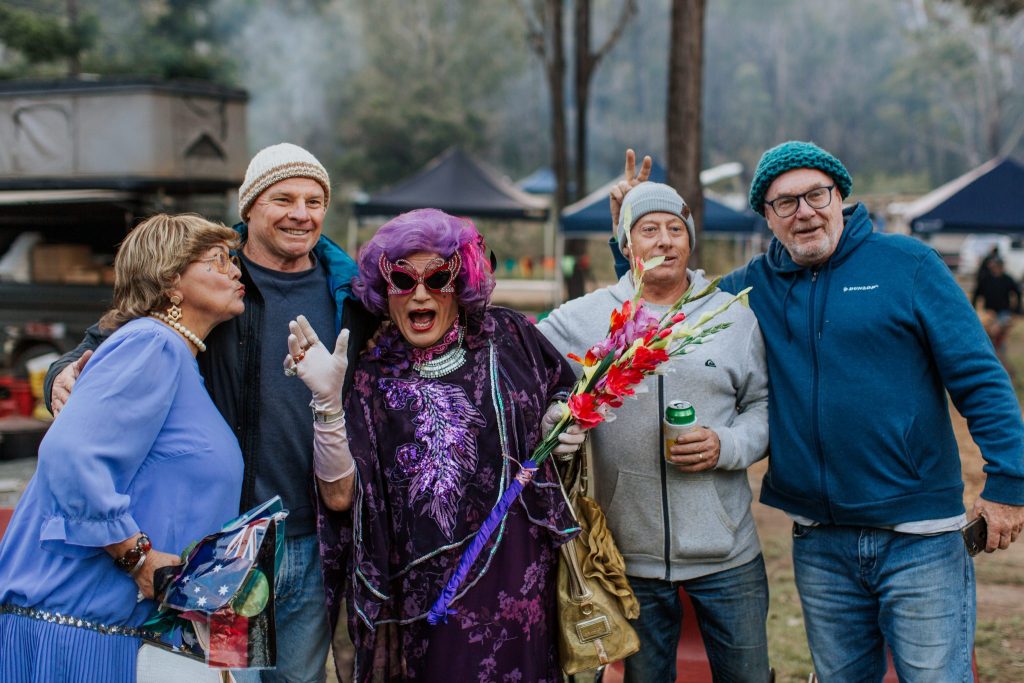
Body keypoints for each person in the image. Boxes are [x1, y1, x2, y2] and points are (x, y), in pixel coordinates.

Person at [610, 142, 1024, 680]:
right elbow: (666, 309)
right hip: (820, 542)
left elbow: (980, 379)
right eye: (785, 203)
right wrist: (629, 237)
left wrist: (1010, 485)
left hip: (921, 539)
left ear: (840, 197)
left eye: (816, 195)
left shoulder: (910, 266)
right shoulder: (747, 290)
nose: (804, 211)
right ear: (768, 217)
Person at [43, 143, 373, 683]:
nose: (301, 213)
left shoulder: (348, 292)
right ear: (249, 208)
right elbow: (114, 331)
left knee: (300, 678)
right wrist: (62, 372)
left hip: (310, 539)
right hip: (224, 545)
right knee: (223, 677)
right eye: (283, 198)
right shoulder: (215, 277)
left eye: (314, 201)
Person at [292, 208, 586, 682]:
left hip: (520, 576)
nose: (421, 294)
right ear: (385, 291)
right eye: (403, 281)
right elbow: (339, 496)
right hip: (427, 601)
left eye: (440, 278)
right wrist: (327, 406)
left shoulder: (510, 336)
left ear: (462, 283)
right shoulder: (371, 381)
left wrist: (562, 417)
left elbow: (563, 388)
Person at [539, 181, 772, 682]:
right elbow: (524, 369)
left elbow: (763, 405)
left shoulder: (732, 317)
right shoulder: (585, 318)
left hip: (727, 554)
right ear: (627, 246)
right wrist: (556, 417)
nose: (664, 240)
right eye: (649, 229)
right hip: (628, 558)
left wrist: (727, 444)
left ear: (690, 242)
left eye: (675, 229)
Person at [0, 214, 245, 682]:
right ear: (171, 278)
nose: (235, 270)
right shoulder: (152, 344)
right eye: (218, 260)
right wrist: (139, 558)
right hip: (87, 634)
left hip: (131, 635)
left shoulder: (178, 357)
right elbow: (69, 455)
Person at [972, 255, 1021, 363]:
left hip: (1004, 312)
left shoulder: (1007, 279)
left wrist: (1017, 309)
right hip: (989, 312)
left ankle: (1000, 353)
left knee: (999, 330)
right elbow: (976, 294)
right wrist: (973, 308)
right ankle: (992, 352)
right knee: (989, 331)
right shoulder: (986, 280)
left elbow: (1017, 292)